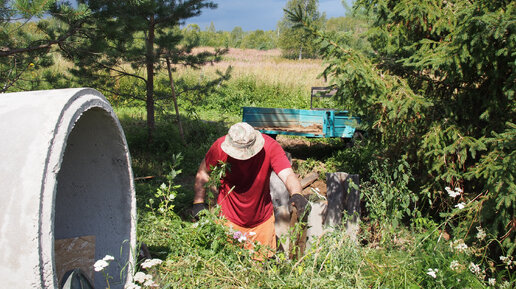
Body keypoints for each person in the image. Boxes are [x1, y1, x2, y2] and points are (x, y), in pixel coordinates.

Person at [192, 122, 307, 259]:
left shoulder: (269, 147)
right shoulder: (219, 147)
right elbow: (204, 172)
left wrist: (297, 194)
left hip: (261, 220)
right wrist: (198, 202)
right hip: (228, 219)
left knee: (261, 269)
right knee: (229, 266)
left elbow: (288, 174)